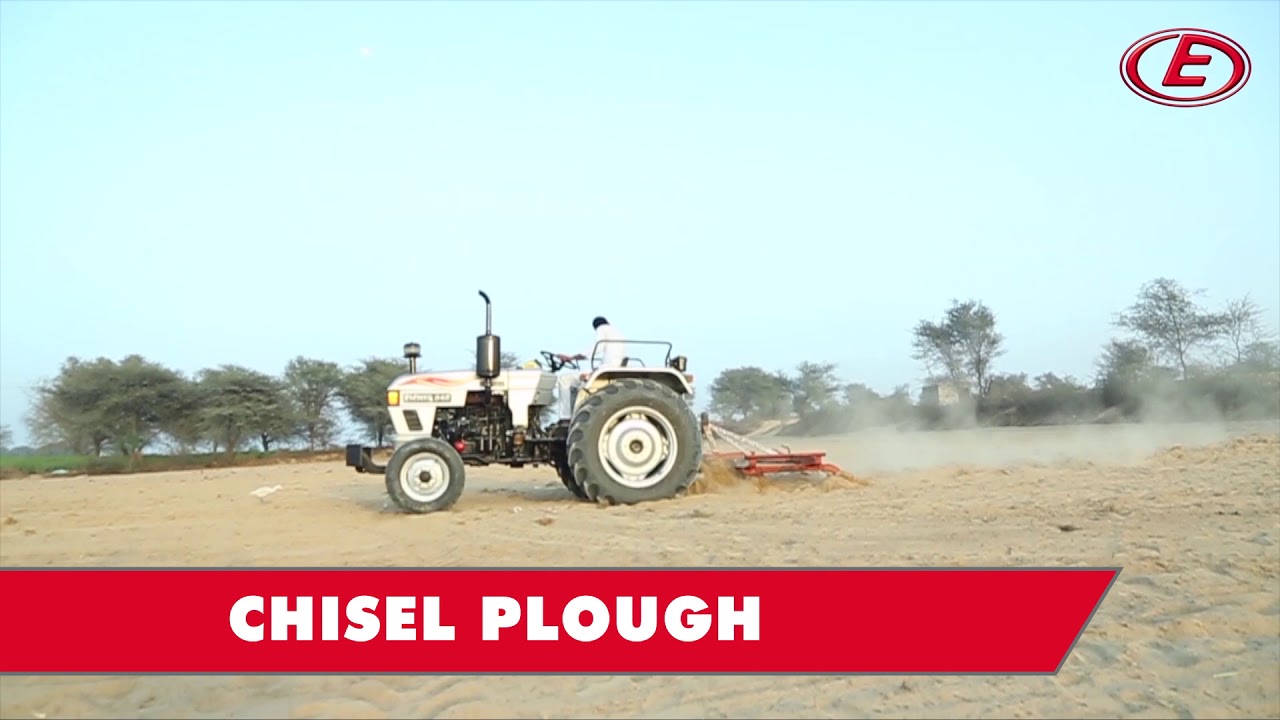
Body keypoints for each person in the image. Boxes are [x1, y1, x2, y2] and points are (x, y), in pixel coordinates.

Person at [555, 316, 625, 419]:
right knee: (575, 384)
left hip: (606, 368)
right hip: (609, 366)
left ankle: (565, 418)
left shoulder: (602, 329)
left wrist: (572, 357)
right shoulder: (616, 332)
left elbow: (597, 348)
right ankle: (573, 413)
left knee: (564, 379)